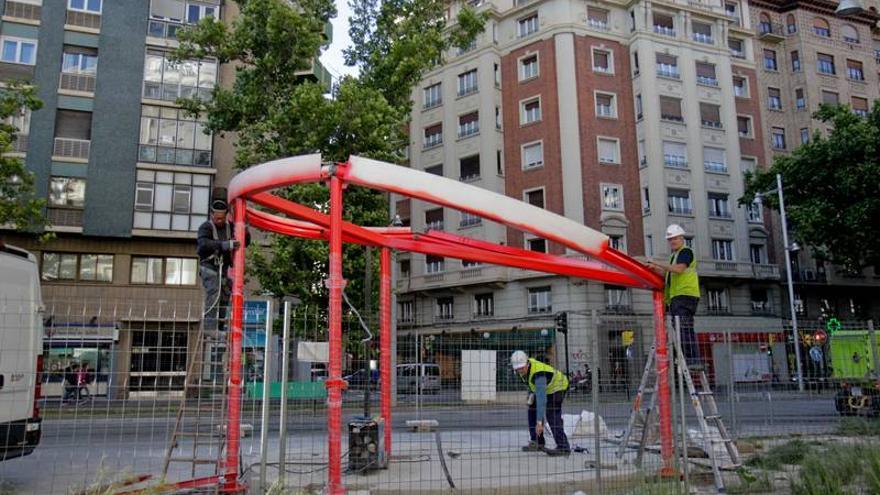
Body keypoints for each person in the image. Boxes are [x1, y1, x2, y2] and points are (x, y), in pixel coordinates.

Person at [646, 224, 701, 367]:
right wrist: (655, 269)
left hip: (686, 295)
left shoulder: (685, 252)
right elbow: (668, 274)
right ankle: (689, 359)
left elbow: (679, 269)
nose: (672, 241)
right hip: (678, 297)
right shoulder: (674, 256)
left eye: (674, 238)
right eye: (670, 239)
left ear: (682, 238)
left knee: (683, 328)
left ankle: (691, 359)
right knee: (682, 329)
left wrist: (657, 262)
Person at [197, 199, 250, 332]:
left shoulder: (230, 227)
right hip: (209, 267)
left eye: (221, 218)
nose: (219, 220)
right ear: (211, 215)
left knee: (225, 294)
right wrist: (223, 245)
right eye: (216, 218)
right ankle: (210, 327)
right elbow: (203, 244)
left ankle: (220, 326)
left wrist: (245, 230)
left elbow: (244, 242)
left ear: (226, 215)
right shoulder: (206, 227)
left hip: (223, 269)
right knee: (214, 292)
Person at [511, 351, 570, 456]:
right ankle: (538, 442)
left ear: (527, 364)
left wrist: (539, 422)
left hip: (558, 387)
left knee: (552, 414)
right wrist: (531, 395)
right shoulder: (522, 371)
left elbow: (542, 400)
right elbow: (531, 385)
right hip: (544, 389)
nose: (520, 370)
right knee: (532, 409)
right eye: (517, 369)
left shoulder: (539, 374)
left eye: (522, 368)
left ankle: (563, 447)